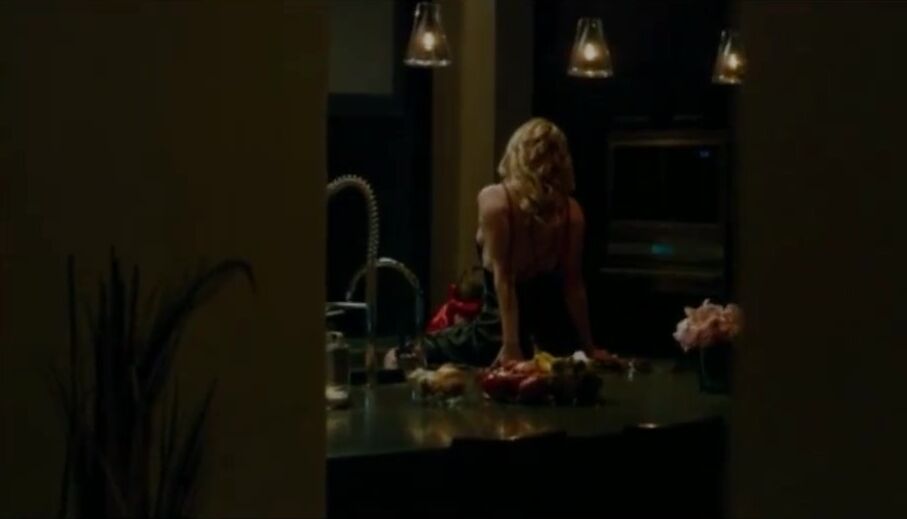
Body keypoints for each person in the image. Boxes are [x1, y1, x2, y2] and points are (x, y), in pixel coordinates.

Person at [395, 118, 612, 368]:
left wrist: (511, 345)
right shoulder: (572, 211)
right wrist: (587, 348)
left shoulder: (495, 200)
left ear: (516, 154)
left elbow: (504, 278)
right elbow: (573, 287)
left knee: (405, 352)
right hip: (552, 340)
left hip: (496, 336)